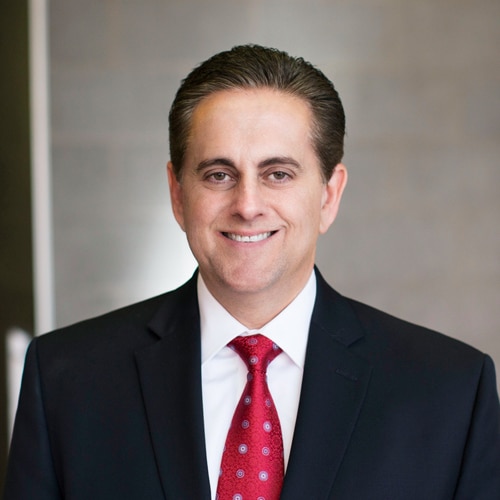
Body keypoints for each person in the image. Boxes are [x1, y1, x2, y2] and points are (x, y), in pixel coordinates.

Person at [4, 44, 500, 500]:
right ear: (177, 195)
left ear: (329, 196)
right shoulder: (67, 380)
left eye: (277, 174)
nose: (247, 205)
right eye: (219, 174)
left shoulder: (450, 391)